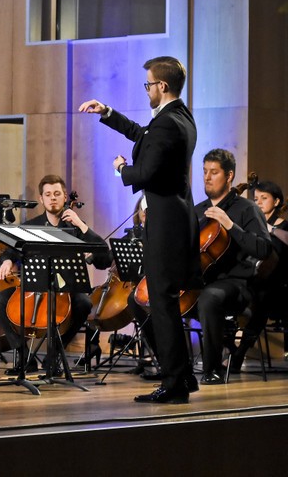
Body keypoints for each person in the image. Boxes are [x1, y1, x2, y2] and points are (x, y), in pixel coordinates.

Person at [79, 55, 201, 404]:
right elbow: (144, 135)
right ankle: (184, 376)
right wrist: (108, 112)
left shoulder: (167, 123)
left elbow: (145, 172)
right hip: (174, 220)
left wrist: (121, 169)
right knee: (165, 303)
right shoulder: (179, 115)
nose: (146, 89)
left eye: (148, 84)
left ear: (161, 86)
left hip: (166, 225)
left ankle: (175, 383)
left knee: (161, 303)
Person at [0, 174, 111, 373]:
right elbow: (10, 251)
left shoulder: (74, 226)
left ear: (65, 197)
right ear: (42, 199)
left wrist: (81, 225)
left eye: (57, 194)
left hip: (68, 288)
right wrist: (7, 260)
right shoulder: (32, 225)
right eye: (48, 194)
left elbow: (104, 259)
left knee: (84, 304)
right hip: (34, 286)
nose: (53, 198)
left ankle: (55, 353)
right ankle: (23, 355)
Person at [188, 149, 271, 383]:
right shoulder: (197, 210)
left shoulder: (247, 209)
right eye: (205, 171)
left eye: (214, 172)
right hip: (201, 281)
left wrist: (230, 225)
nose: (207, 177)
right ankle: (174, 366)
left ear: (229, 175)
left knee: (209, 298)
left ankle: (211, 370)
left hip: (236, 286)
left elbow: (264, 249)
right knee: (146, 297)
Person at [230, 180, 288, 369]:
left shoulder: (284, 226)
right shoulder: (251, 225)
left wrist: (269, 229)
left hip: (279, 289)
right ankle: (231, 348)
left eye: (264, 198)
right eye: (256, 199)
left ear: (277, 202)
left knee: (264, 298)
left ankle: (240, 353)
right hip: (252, 283)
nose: (259, 202)